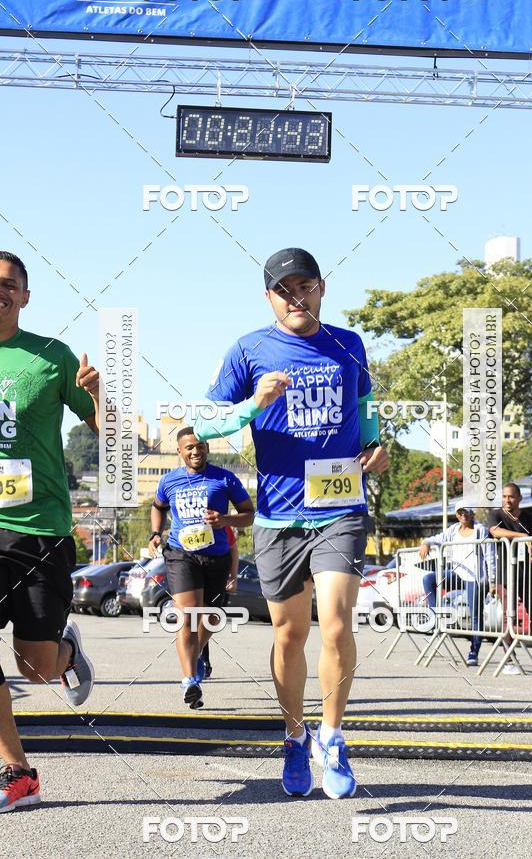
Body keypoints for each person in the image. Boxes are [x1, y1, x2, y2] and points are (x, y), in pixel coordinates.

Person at [194, 247, 389, 799]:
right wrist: (252, 404)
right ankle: (294, 736)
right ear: (269, 298)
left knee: (335, 624)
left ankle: (333, 735)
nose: (295, 296)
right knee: (289, 633)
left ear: (321, 289)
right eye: (284, 289)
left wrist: (377, 446)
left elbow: (368, 408)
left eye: (304, 286)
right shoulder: (249, 348)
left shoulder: (348, 344)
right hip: (279, 516)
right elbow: (201, 421)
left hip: (341, 509)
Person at [0, 251, 99, 812]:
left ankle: (65, 650)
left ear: (25, 296)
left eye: (10, 284)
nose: (0, 291)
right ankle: (17, 772)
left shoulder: (51, 356)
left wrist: (100, 394)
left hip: (41, 529)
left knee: (35, 667)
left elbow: (108, 431)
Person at [149, 430, 253, 709]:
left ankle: (194, 656)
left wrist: (226, 519)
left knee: (213, 618)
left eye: (200, 447)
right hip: (181, 554)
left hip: (216, 556)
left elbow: (249, 514)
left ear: (207, 448)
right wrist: (155, 533)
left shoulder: (225, 478)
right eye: (189, 448)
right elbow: (157, 507)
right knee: (187, 618)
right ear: (180, 452)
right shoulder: (169, 480)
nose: (195, 452)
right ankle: (190, 681)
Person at [488, 482, 532, 675]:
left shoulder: (529, 518)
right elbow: (495, 531)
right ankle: (508, 659)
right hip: (505, 575)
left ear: (519, 498)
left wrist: (528, 539)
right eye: (504, 497)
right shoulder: (496, 514)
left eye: (510, 497)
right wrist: (521, 535)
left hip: (526, 574)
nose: (507, 500)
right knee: (508, 615)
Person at [420, 503, 493, 667]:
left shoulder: (480, 530)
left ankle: (474, 651)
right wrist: (426, 542)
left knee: (475, 615)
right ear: (457, 514)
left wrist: (492, 581)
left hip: (475, 577)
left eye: (466, 512)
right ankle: (436, 616)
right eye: (460, 512)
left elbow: (490, 556)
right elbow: (436, 538)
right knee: (429, 579)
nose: (463, 515)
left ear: (472, 513)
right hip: (457, 574)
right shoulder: (453, 530)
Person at [198, 525, 239, 681]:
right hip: (196, 578)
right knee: (197, 619)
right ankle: (200, 660)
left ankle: (200, 656)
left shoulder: (222, 525)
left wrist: (233, 577)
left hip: (217, 580)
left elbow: (234, 549)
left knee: (209, 620)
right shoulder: (185, 521)